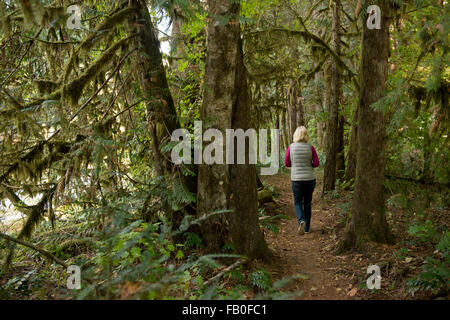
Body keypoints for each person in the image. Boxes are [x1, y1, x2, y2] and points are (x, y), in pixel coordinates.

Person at [284, 126, 320, 235]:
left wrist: (294, 164)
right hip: (310, 179)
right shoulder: (311, 147)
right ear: (306, 135)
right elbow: (316, 163)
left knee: (298, 202)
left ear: (295, 135)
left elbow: (287, 163)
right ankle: (307, 228)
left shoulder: (291, 147)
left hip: (297, 180)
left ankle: (301, 220)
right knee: (308, 203)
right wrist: (310, 164)